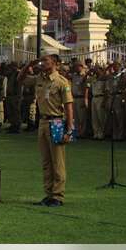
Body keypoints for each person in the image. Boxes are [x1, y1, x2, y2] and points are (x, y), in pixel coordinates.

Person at [34, 54, 74, 207]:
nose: (42, 63)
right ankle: (49, 193)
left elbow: (69, 107)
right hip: (43, 121)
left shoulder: (61, 82)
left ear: (55, 63)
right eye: (41, 60)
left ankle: (58, 195)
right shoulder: (40, 79)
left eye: (45, 61)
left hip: (56, 121)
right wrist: (28, 65)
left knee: (57, 161)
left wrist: (69, 130)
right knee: (46, 161)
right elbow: (20, 79)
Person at [86, 66, 108, 140]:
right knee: (94, 117)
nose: (96, 71)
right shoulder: (93, 78)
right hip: (94, 98)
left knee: (101, 116)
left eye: (97, 69)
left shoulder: (104, 78)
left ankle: (101, 133)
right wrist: (88, 73)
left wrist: (104, 101)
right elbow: (86, 82)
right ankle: (96, 133)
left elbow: (106, 90)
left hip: (101, 97)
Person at [70, 61, 90, 138]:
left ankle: (83, 133)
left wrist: (85, 100)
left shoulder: (85, 76)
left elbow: (86, 89)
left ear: (82, 67)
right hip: (74, 98)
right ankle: (77, 132)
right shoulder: (74, 76)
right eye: (76, 66)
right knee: (76, 117)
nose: (77, 68)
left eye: (78, 66)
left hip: (81, 97)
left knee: (82, 117)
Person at [4, 63, 22, 133]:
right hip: (10, 95)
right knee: (10, 111)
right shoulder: (11, 74)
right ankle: (13, 125)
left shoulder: (18, 73)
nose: (10, 68)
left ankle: (17, 126)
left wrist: (18, 95)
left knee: (16, 112)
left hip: (16, 95)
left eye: (11, 67)